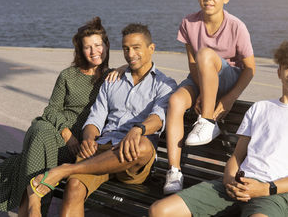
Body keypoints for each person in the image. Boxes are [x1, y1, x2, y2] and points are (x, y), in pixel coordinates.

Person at [150, 39, 288, 217]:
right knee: (160, 211)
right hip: (237, 184)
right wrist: (229, 180)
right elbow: (237, 156)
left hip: (273, 194)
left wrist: (266, 188)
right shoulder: (260, 108)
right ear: (279, 72)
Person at [28, 23, 177, 217]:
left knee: (143, 147)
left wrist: (138, 129)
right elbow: (95, 119)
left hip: (132, 157)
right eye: (126, 48)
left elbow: (158, 118)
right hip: (102, 147)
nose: (130, 54)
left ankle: (65, 170)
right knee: (73, 188)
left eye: (136, 48)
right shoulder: (112, 81)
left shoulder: (165, 84)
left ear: (151, 48)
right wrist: (89, 138)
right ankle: (71, 172)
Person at [0, 17, 110, 217]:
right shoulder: (68, 75)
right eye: (87, 47)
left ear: (106, 45)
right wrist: (66, 134)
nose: (93, 51)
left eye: (98, 45)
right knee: (41, 131)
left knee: (33, 155)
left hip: (83, 142)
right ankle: (35, 206)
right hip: (58, 132)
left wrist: (122, 70)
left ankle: (32, 204)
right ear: (80, 50)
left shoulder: (112, 77)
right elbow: (52, 109)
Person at [163, 0, 256, 194]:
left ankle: (207, 121)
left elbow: (250, 69)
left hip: (227, 77)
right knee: (175, 101)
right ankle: (174, 171)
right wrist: (204, 92)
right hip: (200, 78)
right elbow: (192, 66)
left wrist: (230, 98)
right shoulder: (188, 23)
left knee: (205, 54)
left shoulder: (237, 26)